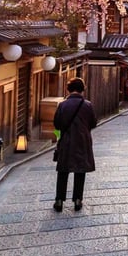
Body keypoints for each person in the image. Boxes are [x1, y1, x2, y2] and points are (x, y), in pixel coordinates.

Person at [53, 77, 97, 212]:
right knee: (80, 170)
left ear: (68, 89)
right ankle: (77, 200)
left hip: (66, 141)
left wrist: (60, 135)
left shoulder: (62, 105)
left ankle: (59, 200)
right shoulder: (87, 105)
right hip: (82, 141)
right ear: (82, 89)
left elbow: (57, 124)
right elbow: (93, 123)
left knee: (63, 171)